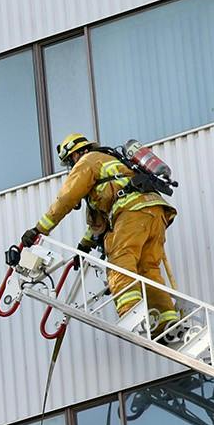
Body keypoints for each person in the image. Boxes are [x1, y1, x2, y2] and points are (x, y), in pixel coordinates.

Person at [18, 133, 180, 336]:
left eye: (69, 161)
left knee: (120, 262)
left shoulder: (88, 161)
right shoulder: (111, 164)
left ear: (76, 153)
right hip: (156, 212)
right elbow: (98, 224)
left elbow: (66, 199)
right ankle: (166, 321)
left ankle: (131, 313)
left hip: (131, 212)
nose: (71, 166)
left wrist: (38, 230)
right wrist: (83, 247)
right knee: (147, 269)